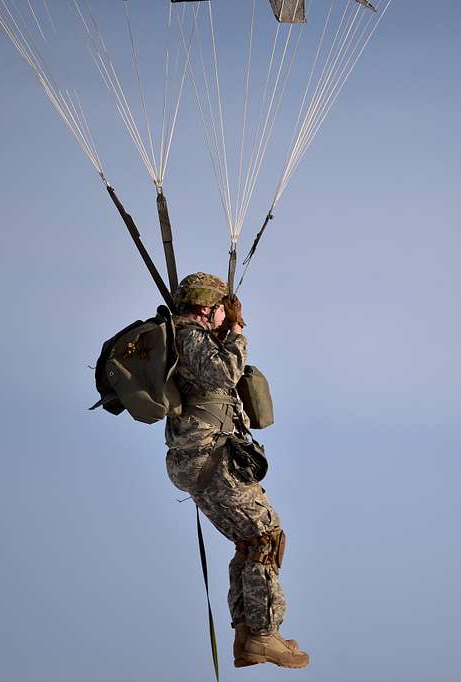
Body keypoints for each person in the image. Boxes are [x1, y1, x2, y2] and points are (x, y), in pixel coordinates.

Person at [164, 272, 309, 670]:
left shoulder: (188, 338)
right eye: (219, 311)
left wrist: (226, 331)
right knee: (266, 537)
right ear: (207, 308)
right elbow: (224, 374)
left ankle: (249, 635)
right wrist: (238, 331)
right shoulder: (190, 337)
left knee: (249, 543)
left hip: (201, 460)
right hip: (210, 458)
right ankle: (263, 635)